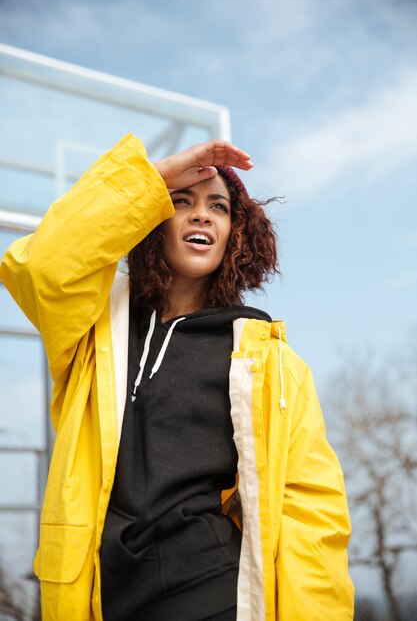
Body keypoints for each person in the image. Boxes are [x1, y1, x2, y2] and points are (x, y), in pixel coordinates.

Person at [0, 134, 354, 621]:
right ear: (152, 221)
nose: (202, 214)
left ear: (237, 233)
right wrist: (155, 178)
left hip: (211, 591)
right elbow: (38, 266)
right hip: (102, 595)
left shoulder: (272, 365)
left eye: (220, 207)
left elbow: (312, 518)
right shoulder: (93, 329)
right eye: (181, 201)